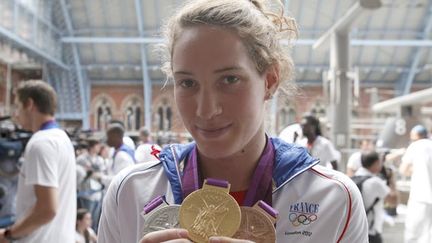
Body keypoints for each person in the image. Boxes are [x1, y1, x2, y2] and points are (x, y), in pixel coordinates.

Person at [97, 0, 368, 242]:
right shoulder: (130, 192)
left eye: (229, 80)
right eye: (188, 82)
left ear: (270, 80)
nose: (206, 110)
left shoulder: (332, 200)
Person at [0, 80, 76, 242]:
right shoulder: (62, 138)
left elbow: (47, 209)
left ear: (29, 104)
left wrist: (9, 234)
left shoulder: (41, 143)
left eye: (17, 106)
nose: (15, 114)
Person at [399, 125, 432, 243]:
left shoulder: (415, 146)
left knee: (413, 232)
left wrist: (414, 170)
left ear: (416, 136)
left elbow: (403, 169)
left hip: (419, 196)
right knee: (428, 233)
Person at [353, 151, 390, 243]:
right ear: (376, 163)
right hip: (371, 232)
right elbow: (393, 200)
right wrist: (391, 178)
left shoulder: (351, 179)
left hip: (354, 230)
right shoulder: (375, 182)